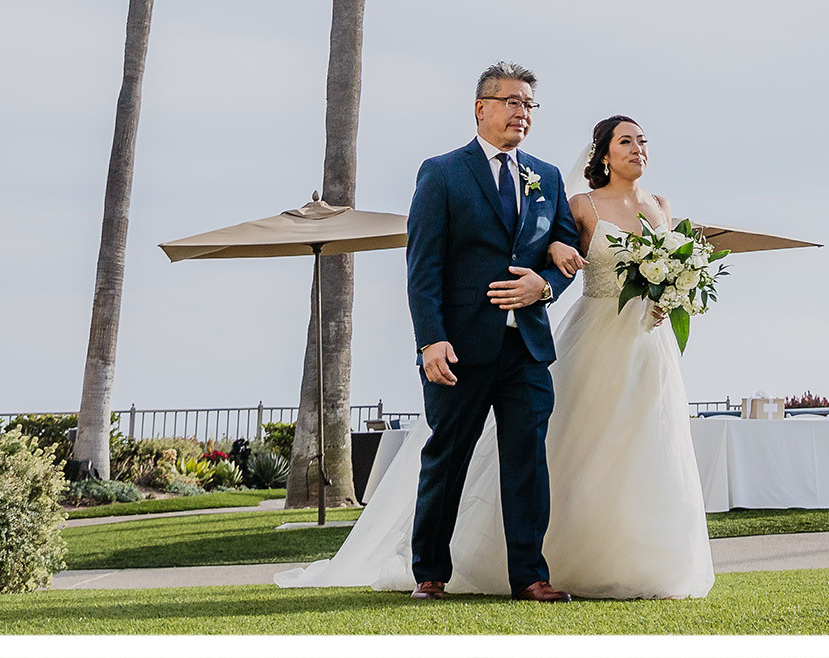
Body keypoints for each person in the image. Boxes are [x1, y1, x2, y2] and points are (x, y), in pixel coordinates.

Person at [278, 89, 715, 602]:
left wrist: (546, 281)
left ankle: (530, 576)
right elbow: (423, 268)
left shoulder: (547, 177)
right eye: (511, 102)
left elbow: (569, 253)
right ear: (480, 108)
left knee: (528, 463)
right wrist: (431, 341)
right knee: (447, 458)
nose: (521, 112)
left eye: (529, 104)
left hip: (528, 348)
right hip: (460, 347)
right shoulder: (441, 173)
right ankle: (430, 574)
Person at [538, 114, 715, 599]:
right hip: (596, 334)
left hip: (650, 343)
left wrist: (671, 295)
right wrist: (555, 244)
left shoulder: (661, 205)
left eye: (642, 141)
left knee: (647, 444)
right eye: (626, 141)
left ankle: (644, 561)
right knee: (587, 443)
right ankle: (568, 557)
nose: (637, 148)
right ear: (604, 155)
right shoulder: (582, 204)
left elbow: (677, 270)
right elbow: (550, 250)